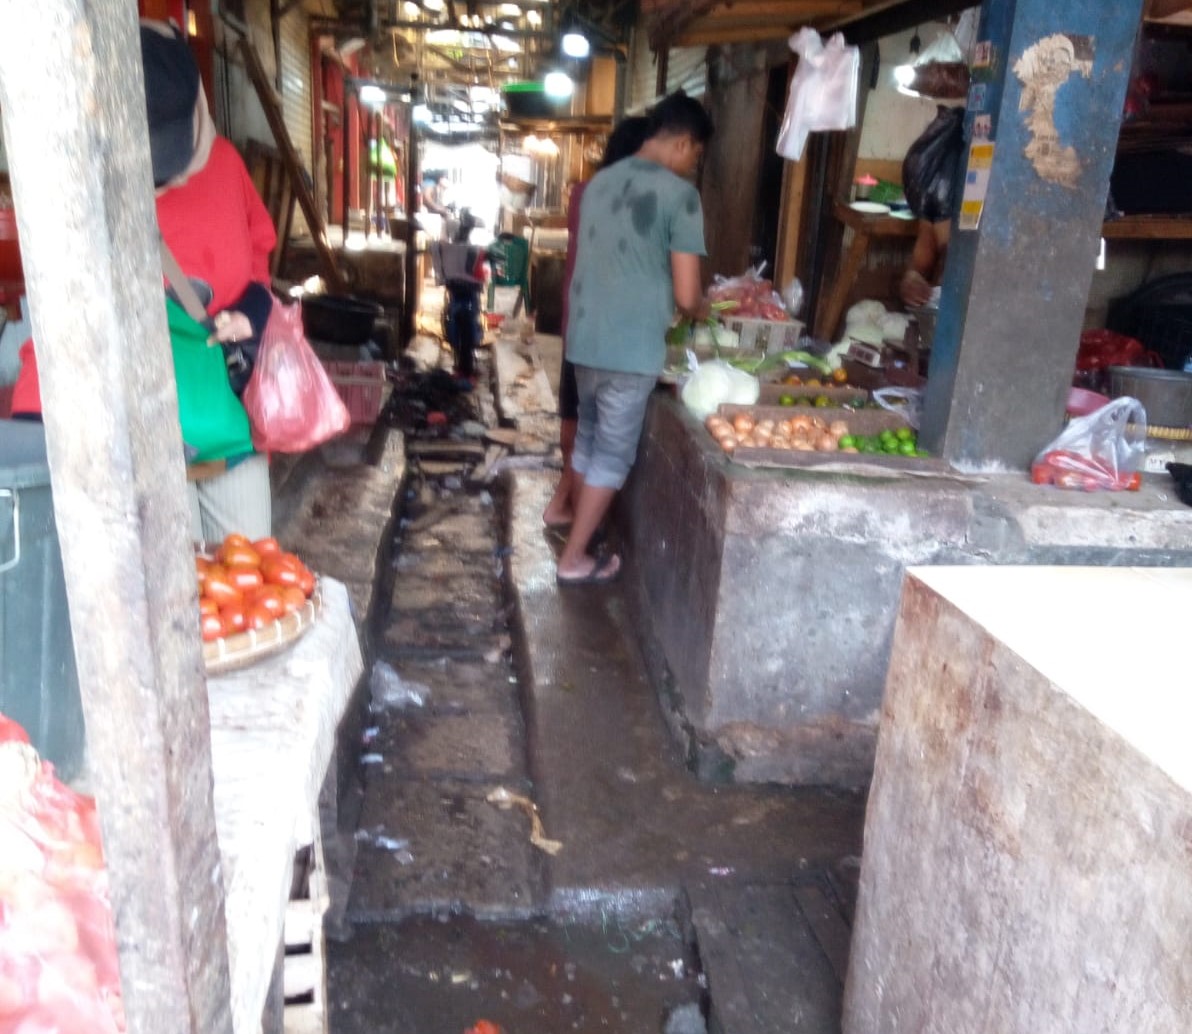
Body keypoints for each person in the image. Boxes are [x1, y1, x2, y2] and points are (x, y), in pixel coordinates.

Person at [12, 20, 277, 541]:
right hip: (133, 433)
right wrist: (31, 428)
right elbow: (59, 323)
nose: (163, 177)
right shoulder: (79, 190)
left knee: (249, 562)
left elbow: (259, 264)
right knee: (171, 572)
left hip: (224, 412)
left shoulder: (226, 166)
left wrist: (252, 312)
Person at [556, 93, 713, 585]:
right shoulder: (681, 197)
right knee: (612, 454)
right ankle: (573, 558)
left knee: (587, 440)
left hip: (584, 340)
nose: (692, 165)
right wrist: (702, 307)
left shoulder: (598, 184)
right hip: (629, 349)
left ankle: (580, 536)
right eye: (695, 155)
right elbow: (687, 294)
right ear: (683, 143)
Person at [542, 116, 650, 531]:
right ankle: (577, 519)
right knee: (591, 435)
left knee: (576, 423)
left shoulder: (585, 193)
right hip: (603, 335)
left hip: (579, 324)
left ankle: (564, 505)